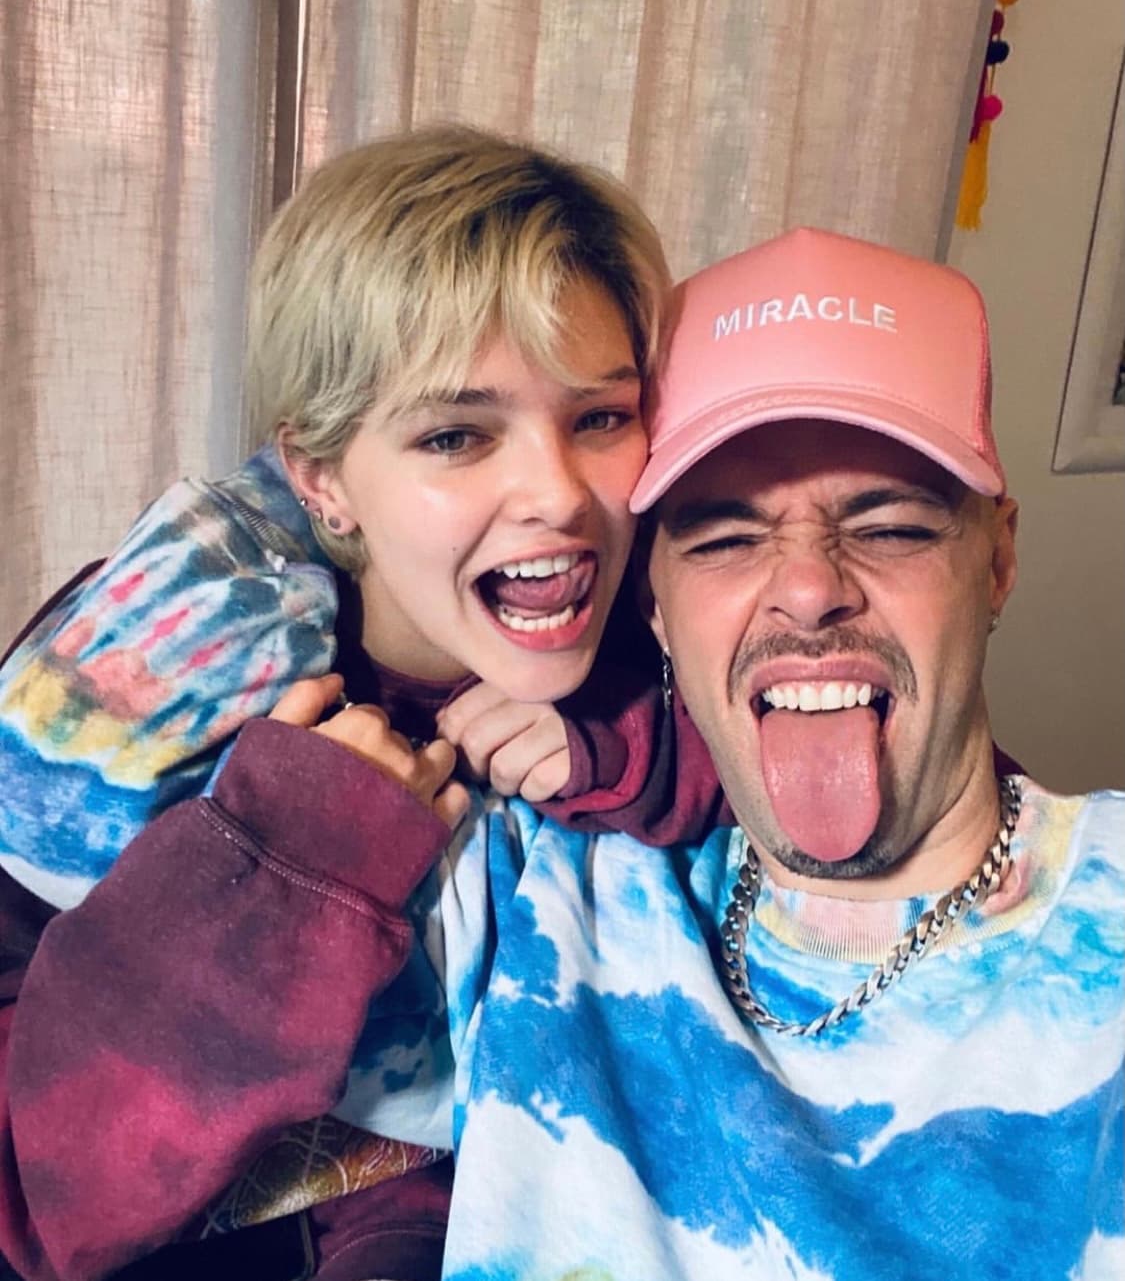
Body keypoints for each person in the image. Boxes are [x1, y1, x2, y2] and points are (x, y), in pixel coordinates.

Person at [257, 228, 1120, 1278]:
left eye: (890, 527)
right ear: (653, 603)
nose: (808, 588)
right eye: (724, 538)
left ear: (998, 561)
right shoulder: (522, 888)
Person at [0, 125, 671, 1280]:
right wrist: (287, 862)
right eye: (455, 434)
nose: (558, 493)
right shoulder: (147, 665)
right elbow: (33, 1187)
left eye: (600, 418)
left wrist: (633, 755)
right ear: (321, 477)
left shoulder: (683, 636)